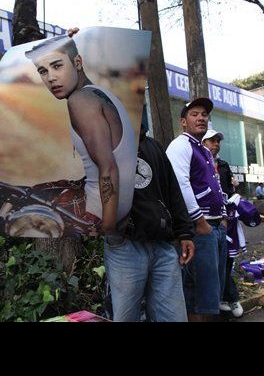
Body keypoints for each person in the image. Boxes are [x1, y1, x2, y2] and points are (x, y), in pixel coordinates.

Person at [25, 33, 136, 236]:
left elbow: (108, 168)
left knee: (19, 205)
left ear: (77, 62)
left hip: (98, 213)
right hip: (120, 209)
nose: (51, 78)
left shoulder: (80, 100)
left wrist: (108, 229)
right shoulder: (100, 93)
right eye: (43, 71)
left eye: (57, 66)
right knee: (32, 191)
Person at [103, 123, 195, 322]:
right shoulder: (103, 144)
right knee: (126, 317)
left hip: (162, 245)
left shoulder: (154, 146)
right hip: (124, 245)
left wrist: (185, 232)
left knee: (174, 317)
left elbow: (173, 190)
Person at [166, 98, 228, 322]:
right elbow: (180, 184)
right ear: (183, 121)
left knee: (210, 292)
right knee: (196, 292)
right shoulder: (180, 145)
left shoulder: (202, 149)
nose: (201, 118)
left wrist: (222, 219)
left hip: (213, 225)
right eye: (194, 114)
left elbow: (213, 185)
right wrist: (200, 221)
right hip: (198, 227)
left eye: (204, 114)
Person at [202, 129, 245, 318]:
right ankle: (221, 299)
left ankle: (230, 298)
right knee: (211, 265)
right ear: (202, 142)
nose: (216, 144)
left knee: (226, 261)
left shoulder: (224, 165)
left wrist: (227, 218)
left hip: (225, 221)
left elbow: (228, 192)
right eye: (211, 140)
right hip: (202, 222)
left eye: (218, 141)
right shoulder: (197, 162)